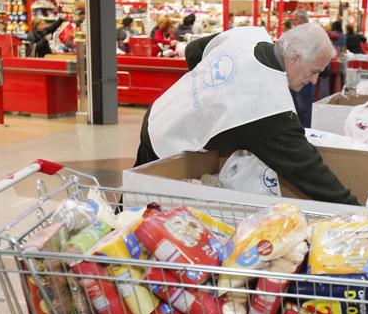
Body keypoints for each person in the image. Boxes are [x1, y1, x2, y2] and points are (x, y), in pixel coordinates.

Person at [134, 23, 356, 205]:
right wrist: (356, 209)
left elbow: (194, 49)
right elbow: (308, 170)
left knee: (129, 196)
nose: (314, 80)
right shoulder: (270, 105)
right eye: (314, 71)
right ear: (295, 57)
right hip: (168, 142)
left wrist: (208, 96)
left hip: (160, 109)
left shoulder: (247, 34)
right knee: (142, 210)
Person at [289, 10, 315, 128]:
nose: (294, 21)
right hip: (293, 74)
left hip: (304, 75)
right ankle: (298, 131)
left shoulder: (310, 34)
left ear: (303, 19)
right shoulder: (296, 34)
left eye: (296, 19)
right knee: (295, 107)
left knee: (303, 107)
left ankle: (305, 132)